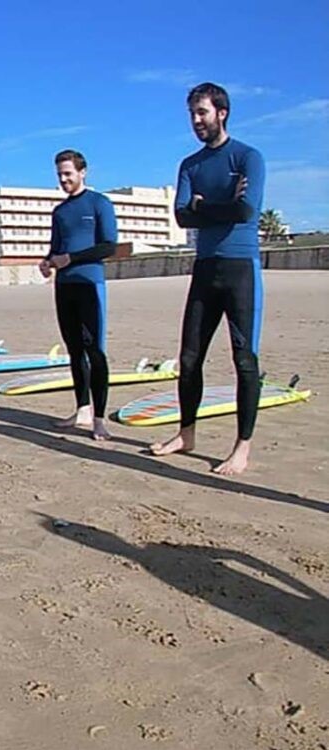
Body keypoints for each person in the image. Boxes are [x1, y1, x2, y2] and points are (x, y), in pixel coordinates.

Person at [150, 82, 266, 476]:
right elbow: (182, 216)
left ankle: (242, 447)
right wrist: (219, 205)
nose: (196, 121)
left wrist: (205, 205)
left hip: (240, 270)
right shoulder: (190, 165)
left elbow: (247, 210)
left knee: (244, 360)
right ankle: (186, 434)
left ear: (222, 112)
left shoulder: (248, 157)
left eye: (202, 112)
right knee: (189, 358)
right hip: (204, 269)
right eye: (192, 114)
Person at [39, 149, 118, 441]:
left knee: (94, 351)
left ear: (83, 172)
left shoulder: (99, 203)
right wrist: (47, 262)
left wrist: (70, 259)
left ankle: (99, 419)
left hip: (90, 285)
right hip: (64, 287)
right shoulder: (59, 211)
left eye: (68, 174)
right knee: (74, 351)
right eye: (59, 174)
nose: (63, 179)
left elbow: (108, 247)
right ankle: (82, 409)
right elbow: (55, 247)